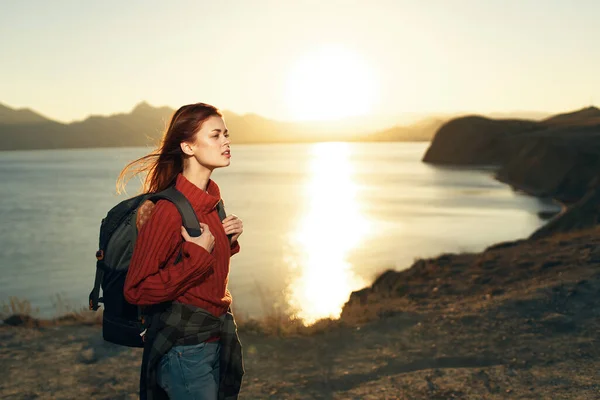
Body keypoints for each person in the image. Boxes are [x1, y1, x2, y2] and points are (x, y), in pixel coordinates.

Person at [118, 102, 244, 400]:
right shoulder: (167, 212)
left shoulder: (212, 201)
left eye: (226, 134)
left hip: (214, 338)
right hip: (184, 350)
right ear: (188, 146)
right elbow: (135, 290)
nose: (226, 141)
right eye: (215, 135)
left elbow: (205, 267)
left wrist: (229, 241)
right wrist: (197, 258)